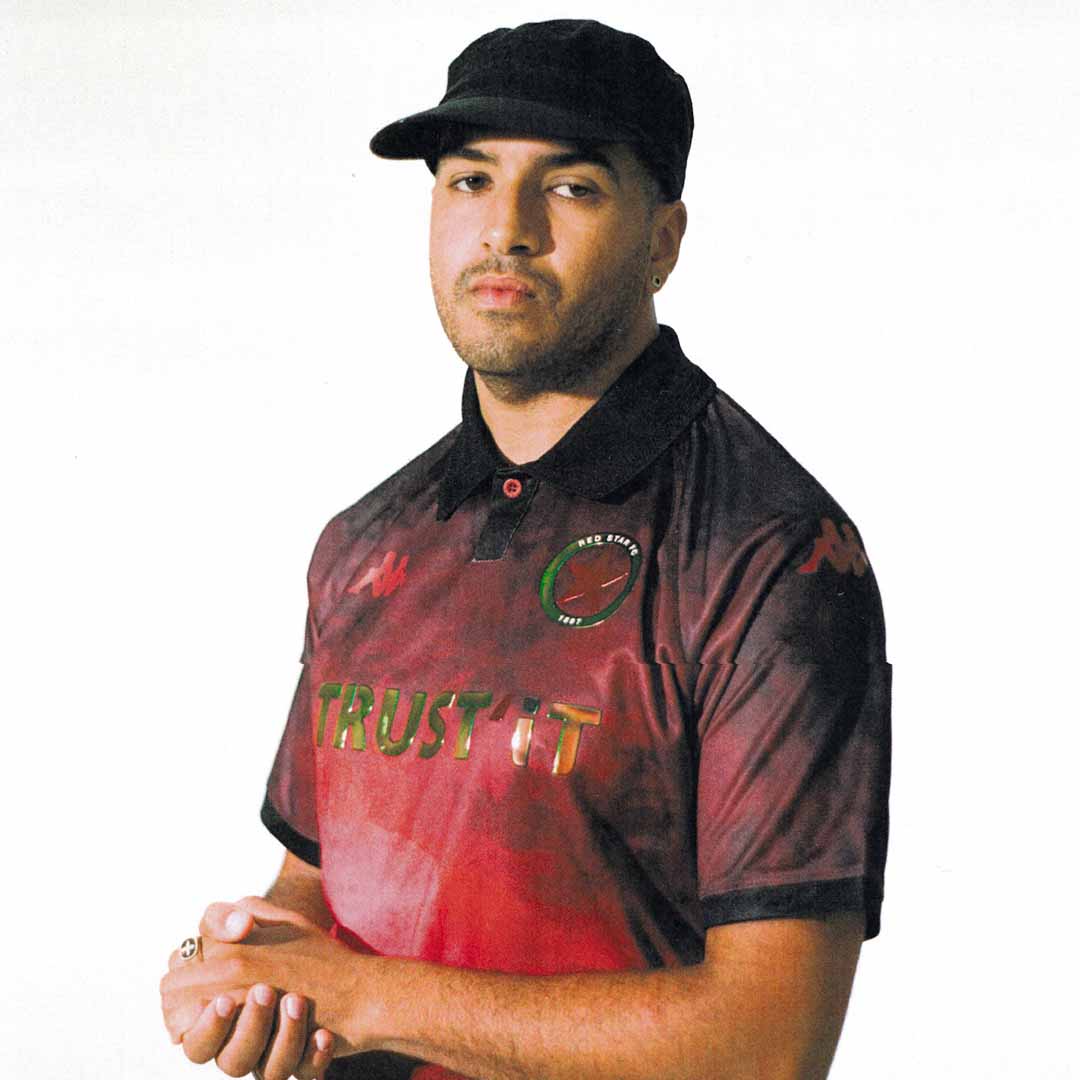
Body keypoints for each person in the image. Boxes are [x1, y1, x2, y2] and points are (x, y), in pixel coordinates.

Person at [159, 19, 891, 1080]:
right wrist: (237, 966)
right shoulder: (368, 542)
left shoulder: (771, 553)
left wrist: (367, 998)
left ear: (663, 241)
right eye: (469, 180)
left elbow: (769, 1045)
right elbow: (312, 889)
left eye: (572, 187)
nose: (506, 229)